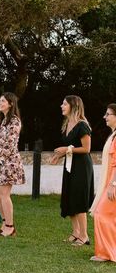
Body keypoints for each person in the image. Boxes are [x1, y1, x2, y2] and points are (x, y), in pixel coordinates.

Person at [51, 95, 94, 247]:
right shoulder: (67, 123)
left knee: (79, 198)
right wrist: (59, 155)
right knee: (69, 197)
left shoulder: (82, 125)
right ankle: (75, 233)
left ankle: (84, 236)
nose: (61, 106)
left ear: (73, 106)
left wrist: (66, 149)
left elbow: (86, 149)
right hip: (70, 165)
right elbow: (71, 148)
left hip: (82, 167)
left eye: (64, 104)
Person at [0, 93, 25, 237]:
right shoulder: (1, 121)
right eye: (0, 101)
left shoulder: (15, 121)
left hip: (9, 162)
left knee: (4, 194)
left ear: (11, 103)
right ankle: (5, 221)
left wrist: (0, 161)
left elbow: (10, 143)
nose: (0, 103)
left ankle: (10, 227)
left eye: (3, 101)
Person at [89, 104, 116, 261]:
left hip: (113, 184)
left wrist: (113, 185)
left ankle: (106, 253)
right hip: (111, 183)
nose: (105, 117)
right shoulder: (113, 136)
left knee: (101, 213)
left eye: (108, 114)